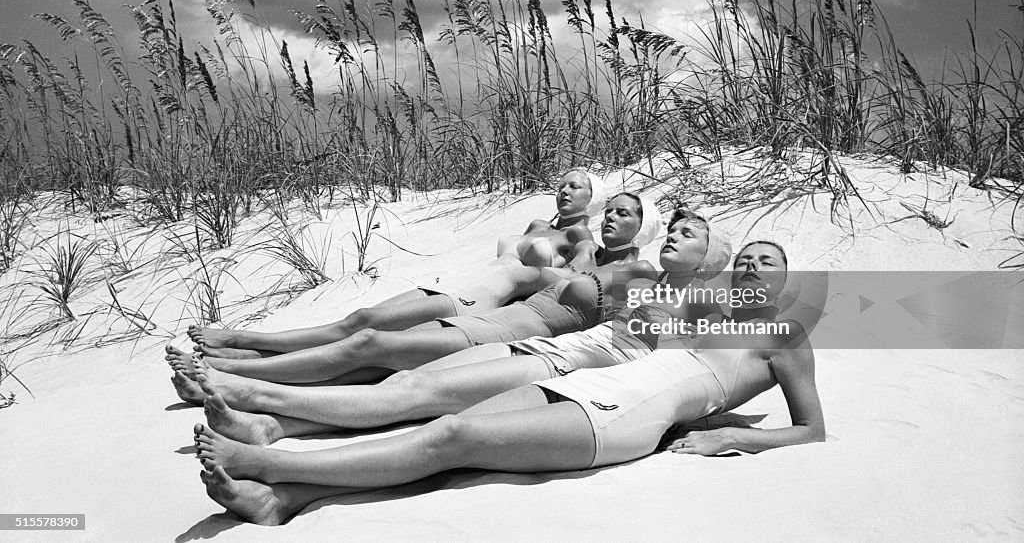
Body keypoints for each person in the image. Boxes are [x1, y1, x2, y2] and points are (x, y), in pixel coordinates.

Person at [193, 241, 824, 526]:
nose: (750, 265)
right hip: (595, 385)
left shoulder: (785, 339)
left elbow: (812, 431)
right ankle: (286, 495)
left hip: (625, 418)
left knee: (454, 435)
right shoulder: (697, 315)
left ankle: (272, 464)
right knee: (440, 422)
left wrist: (730, 441)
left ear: (783, 282)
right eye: (745, 257)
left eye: (766, 261)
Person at [189, 209, 732, 442]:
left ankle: (257, 387)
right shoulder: (637, 279)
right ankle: (270, 407)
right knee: (393, 375)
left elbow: (727, 366)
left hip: (564, 362)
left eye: (690, 232)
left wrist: (705, 426)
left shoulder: (687, 290)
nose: (676, 236)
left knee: (396, 374)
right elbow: (532, 266)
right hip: (532, 339)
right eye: (675, 229)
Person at [171, 193, 661, 396]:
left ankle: (236, 370)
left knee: (370, 345)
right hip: (494, 314)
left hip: (508, 332)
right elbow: (528, 273)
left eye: (626, 214)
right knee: (371, 350)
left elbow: (624, 330)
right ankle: (246, 357)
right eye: (611, 211)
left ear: (644, 229)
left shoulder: (634, 269)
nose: (613, 218)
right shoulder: (586, 256)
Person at [184, 169, 606, 358]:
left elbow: (584, 271)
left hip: (480, 301)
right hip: (461, 283)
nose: (564, 191)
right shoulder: (535, 223)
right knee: (361, 321)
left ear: (594, 198)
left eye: (577, 187)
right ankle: (255, 354)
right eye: (562, 184)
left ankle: (245, 341)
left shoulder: (578, 236)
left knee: (364, 329)